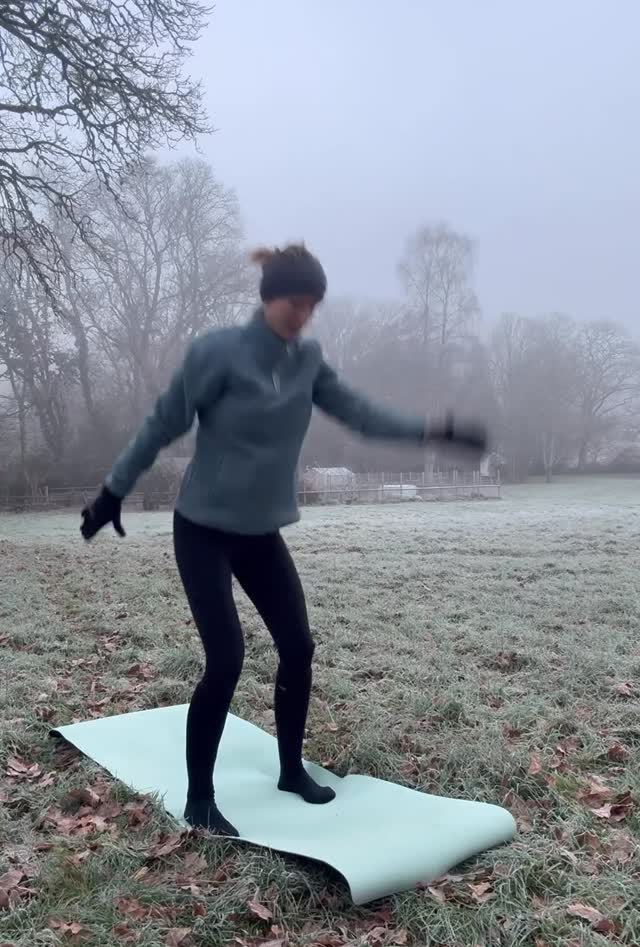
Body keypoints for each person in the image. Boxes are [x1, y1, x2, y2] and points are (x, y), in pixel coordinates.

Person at [81, 244, 487, 837]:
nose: (303, 316)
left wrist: (435, 430)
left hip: (258, 532)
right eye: (296, 303)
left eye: (312, 306)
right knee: (226, 660)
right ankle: (200, 800)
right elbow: (161, 424)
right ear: (270, 297)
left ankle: (291, 770)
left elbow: (360, 414)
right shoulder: (216, 353)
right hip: (202, 530)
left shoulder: (307, 360)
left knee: (298, 645)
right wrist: (113, 492)